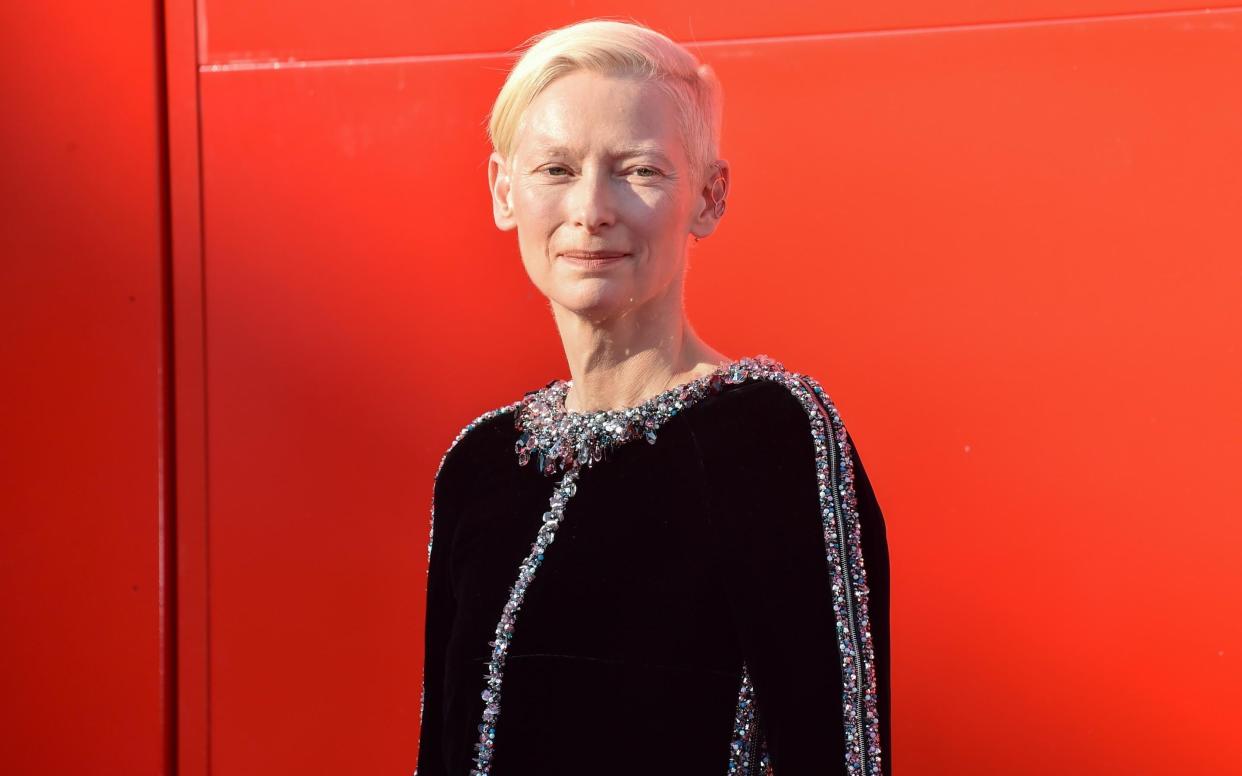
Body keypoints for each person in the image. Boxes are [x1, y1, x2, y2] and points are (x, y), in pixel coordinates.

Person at [414, 18, 891, 776]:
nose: (592, 209)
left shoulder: (768, 437)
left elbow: (840, 754)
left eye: (638, 170)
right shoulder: (478, 466)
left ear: (708, 197)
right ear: (505, 192)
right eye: (557, 169)